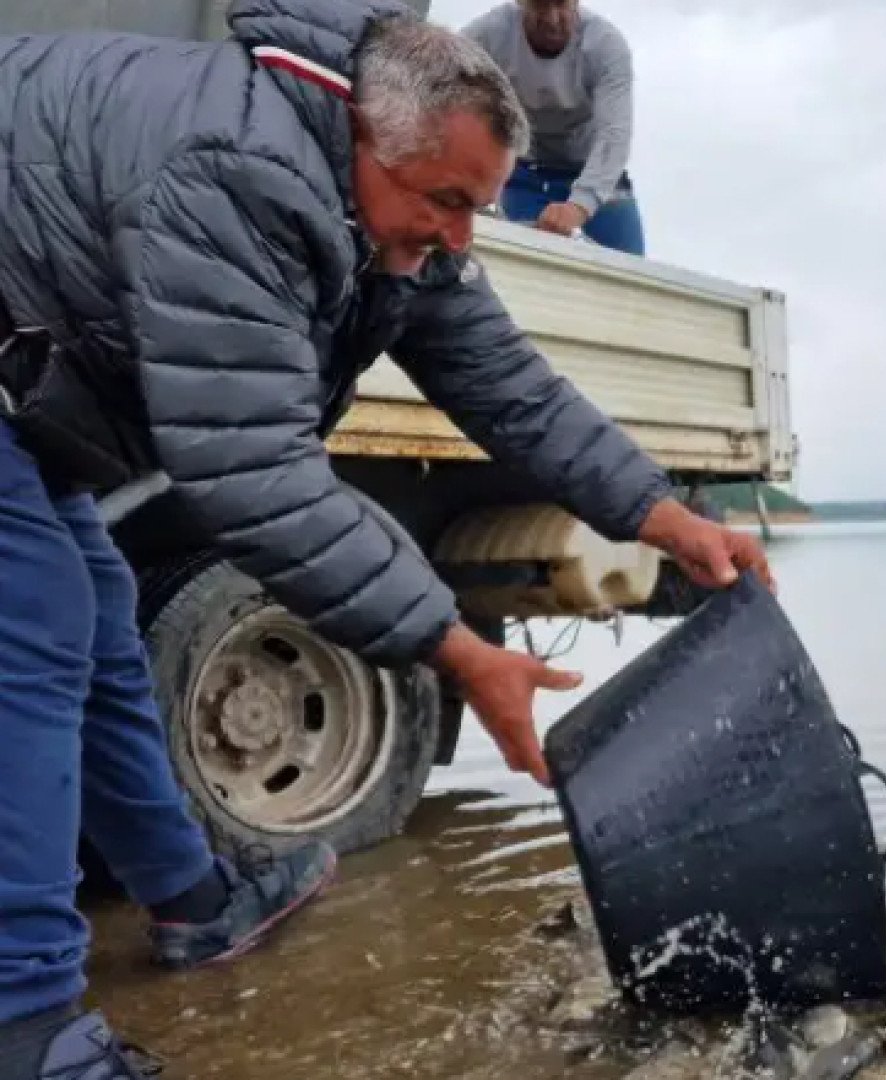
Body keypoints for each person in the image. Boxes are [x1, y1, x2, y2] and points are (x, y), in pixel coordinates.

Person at [0, 0, 769, 1075]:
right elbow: (255, 473)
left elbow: (510, 388)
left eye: (480, 206)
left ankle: (193, 902)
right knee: (28, 638)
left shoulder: (395, 210)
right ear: (365, 138)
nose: (463, 237)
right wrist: (458, 649)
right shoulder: (240, 172)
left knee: (96, 627)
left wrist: (662, 512)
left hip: (33, 381)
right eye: (448, 203)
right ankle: (28, 1028)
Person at [462, 0, 646, 255]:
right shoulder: (487, 34)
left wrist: (579, 206)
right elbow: (442, 95)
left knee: (632, 272)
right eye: (539, 6)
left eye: (561, 4)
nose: (551, 19)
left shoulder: (606, 45)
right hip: (524, 173)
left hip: (596, 173)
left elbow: (614, 134)